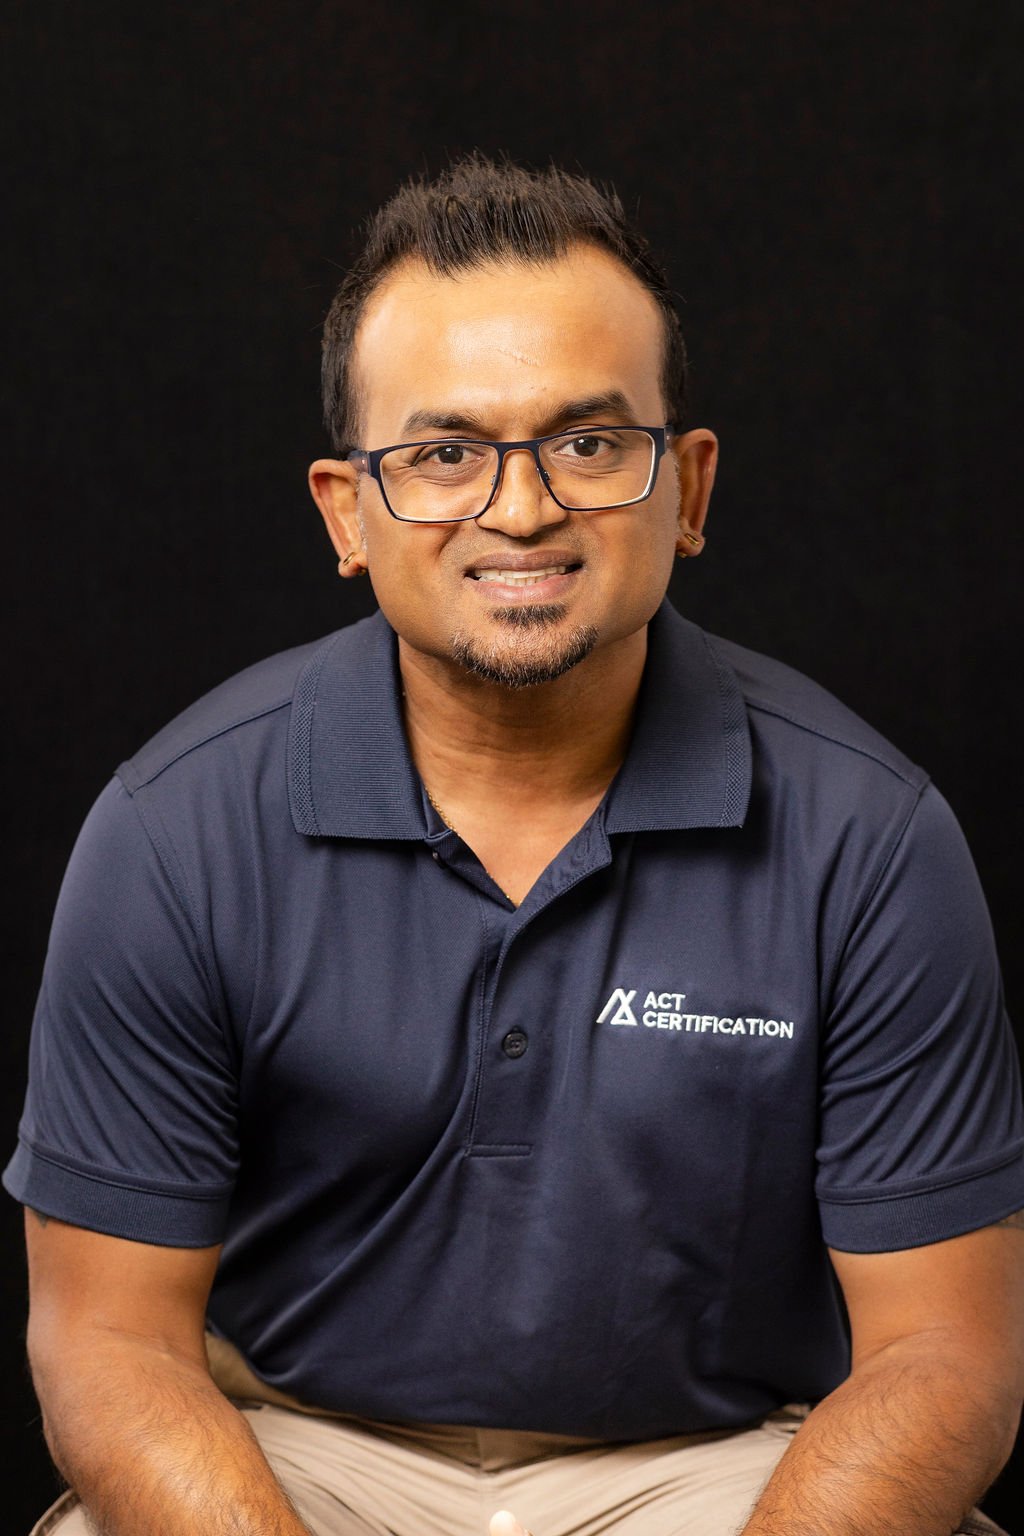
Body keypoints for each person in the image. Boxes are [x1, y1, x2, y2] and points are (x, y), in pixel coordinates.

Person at [6, 155, 1023, 1536]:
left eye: (589, 444)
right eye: (444, 455)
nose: (523, 508)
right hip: (297, 1457)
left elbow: (944, 1354)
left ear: (691, 486)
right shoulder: (175, 830)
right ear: (347, 514)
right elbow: (106, 1342)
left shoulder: (868, 837)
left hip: (723, 1471)